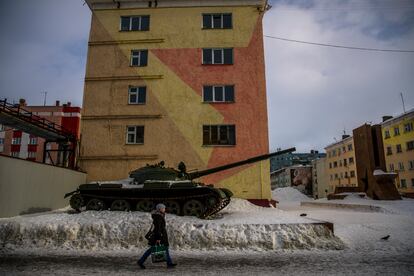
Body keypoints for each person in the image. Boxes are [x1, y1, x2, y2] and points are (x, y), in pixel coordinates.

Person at [137, 203, 177, 269]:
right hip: (159, 236)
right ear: (160, 209)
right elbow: (158, 228)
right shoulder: (158, 217)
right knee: (153, 249)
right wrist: (158, 238)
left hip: (160, 235)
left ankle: (169, 263)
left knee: (164, 248)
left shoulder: (159, 216)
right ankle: (140, 261)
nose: (165, 209)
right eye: (163, 208)